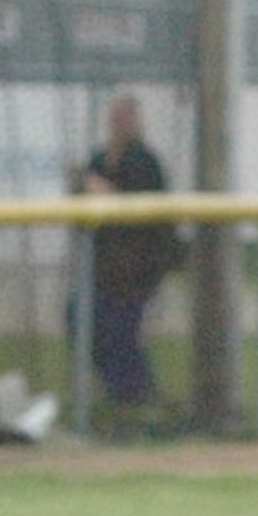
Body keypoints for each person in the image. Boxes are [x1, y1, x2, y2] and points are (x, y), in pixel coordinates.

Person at [68, 93, 179, 412]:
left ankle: (135, 396)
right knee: (80, 316)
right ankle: (125, 391)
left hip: (137, 267)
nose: (117, 123)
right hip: (103, 265)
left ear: (136, 121)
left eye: (124, 117)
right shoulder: (100, 158)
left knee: (122, 330)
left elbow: (135, 205)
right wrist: (80, 184)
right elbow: (82, 203)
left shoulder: (144, 160)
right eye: (114, 117)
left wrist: (98, 188)